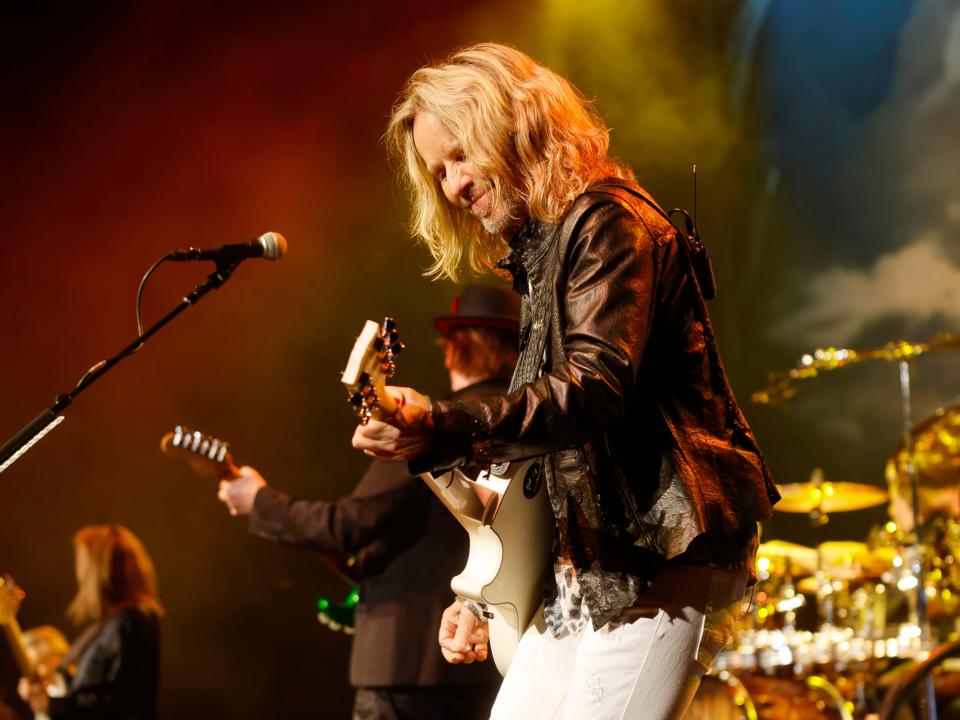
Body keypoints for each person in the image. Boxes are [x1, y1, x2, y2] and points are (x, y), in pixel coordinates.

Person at [352, 43, 780, 719]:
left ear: (511, 122)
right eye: (439, 172)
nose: (454, 184)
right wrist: (481, 595)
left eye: (459, 154)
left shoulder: (606, 220)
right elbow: (549, 457)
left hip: (663, 558)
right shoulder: (544, 252)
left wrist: (442, 420)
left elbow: (592, 390)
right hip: (588, 570)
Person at [217, 283, 515, 720]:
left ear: (454, 350)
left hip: (403, 663)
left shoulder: (429, 423)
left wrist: (258, 500)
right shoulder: (525, 425)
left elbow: (348, 526)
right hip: (490, 659)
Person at [18, 525, 162, 720]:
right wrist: (52, 686)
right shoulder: (118, 623)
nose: (80, 575)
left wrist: (51, 705)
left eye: (84, 566)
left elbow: (117, 704)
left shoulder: (129, 623)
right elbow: (95, 690)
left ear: (101, 570)